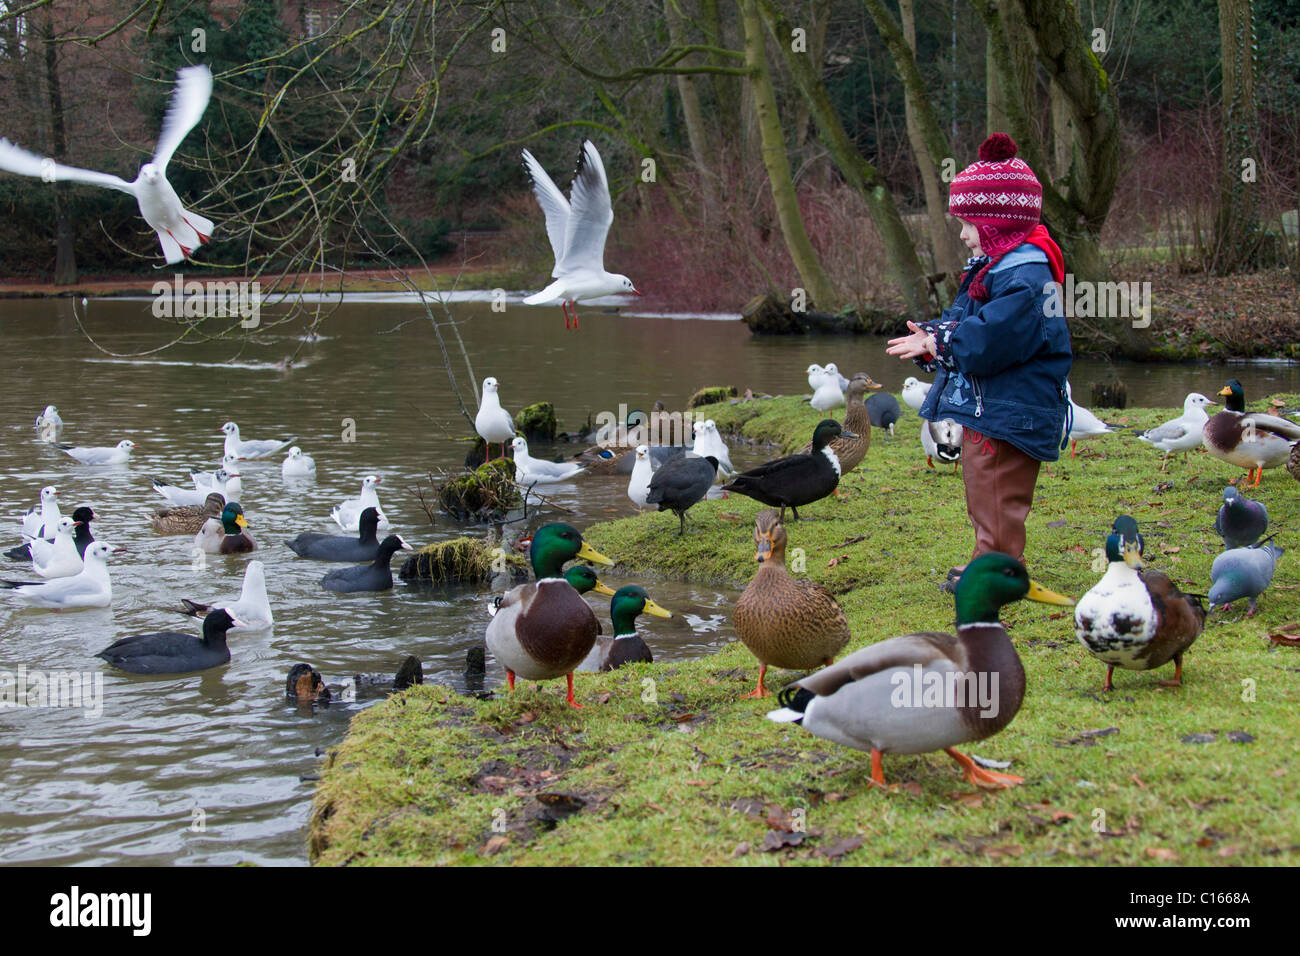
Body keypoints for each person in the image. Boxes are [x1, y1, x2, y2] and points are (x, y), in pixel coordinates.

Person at [887, 132, 1071, 579]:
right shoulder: (995, 271)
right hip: (995, 406)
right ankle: (990, 559)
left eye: (970, 225)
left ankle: (999, 569)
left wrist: (941, 343)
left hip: (1013, 409)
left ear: (998, 226)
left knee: (997, 490)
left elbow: (990, 340)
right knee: (982, 485)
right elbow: (965, 319)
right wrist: (933, 335)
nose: (965, 236)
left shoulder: (1026, 279)